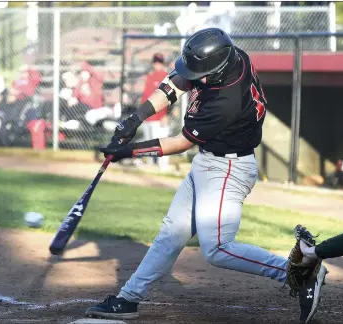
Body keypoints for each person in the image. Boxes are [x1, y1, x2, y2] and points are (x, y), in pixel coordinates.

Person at [84, 28, 327, 324]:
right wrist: (136, 118)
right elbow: (177, 82)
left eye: (202, 73)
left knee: (219, 249)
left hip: (227, 170)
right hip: (208, 163)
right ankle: (128, 299)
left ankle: (299, 272)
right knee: (171, 235)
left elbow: (180, 143)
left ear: (219, 68)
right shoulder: (233, 58)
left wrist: (128, 151)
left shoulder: (224, 103)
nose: (196, 78)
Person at [140, 53, 171, 171]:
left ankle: (164, 166)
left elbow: (172, 97)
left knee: (162, 142)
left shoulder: (167, 77)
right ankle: (150, 164)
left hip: (160, 116)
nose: (157, 64)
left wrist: (167, 115)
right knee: (149, 142)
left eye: (160, 62)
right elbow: (145, 97)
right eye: (156, 62)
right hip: (149, 115)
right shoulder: (149, 77)